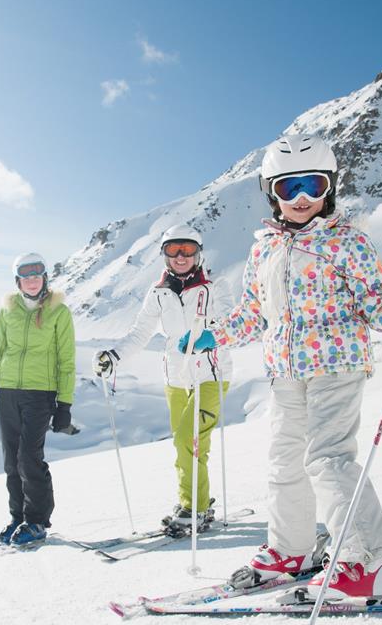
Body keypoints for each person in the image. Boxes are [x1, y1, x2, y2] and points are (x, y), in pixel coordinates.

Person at [179, 134, 382, 600]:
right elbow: (254, 311)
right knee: (285, 463)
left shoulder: (347, 242)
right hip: (285, 371)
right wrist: (214, 334)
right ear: (271, 193)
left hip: (337, 364)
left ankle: (367, 561)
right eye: (288, 187)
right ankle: (292, 550)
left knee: (328, 459)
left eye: (312, 185)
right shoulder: (264, 249)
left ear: (330, 187)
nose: (301, 198)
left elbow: (374, 297)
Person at [94, 224, 232, 535]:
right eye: (173, 250)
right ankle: (192, 501)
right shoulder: (158, 293)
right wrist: (113, 356)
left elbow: (229, 321)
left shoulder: (215, 285)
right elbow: (140, 333)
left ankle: (196, 508)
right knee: (186, 446)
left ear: (198, 254)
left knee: (187, 439)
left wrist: (211, 336)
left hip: (210, 374)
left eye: (187, 250)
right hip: (176, 378)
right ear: (164, 255)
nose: (181, 256)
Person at [0, 252, 78, 547]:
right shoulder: (7, 311)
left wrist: (64, 405)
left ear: (45, 278)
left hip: (39, 394)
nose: (32, 281)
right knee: (11, 461)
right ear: (17, 281)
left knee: (29, 458)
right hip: (7, 393)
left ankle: (36, 521)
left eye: (36, 275)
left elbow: (66, 361)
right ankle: (17, 517)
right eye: (25, 276)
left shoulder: (59, 312)